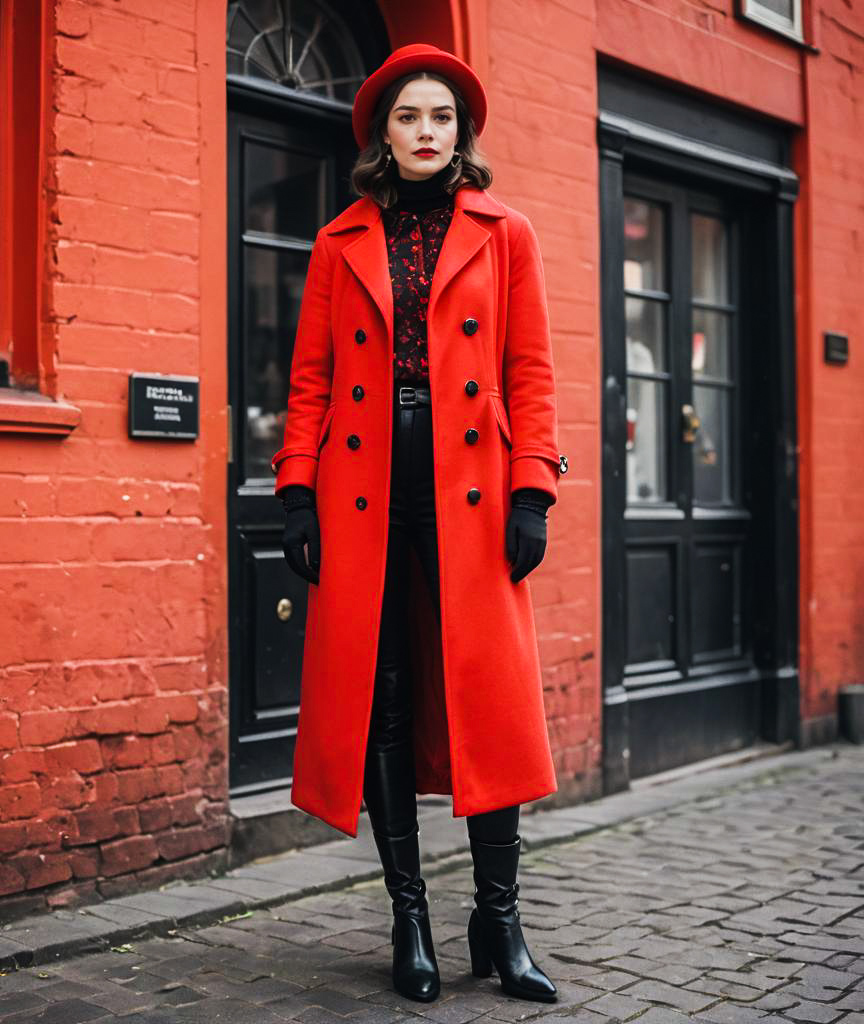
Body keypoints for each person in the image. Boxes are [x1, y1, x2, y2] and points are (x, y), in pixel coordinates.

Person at [271, 43, 567, 1005]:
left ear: (461, 131)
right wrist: (295, 490)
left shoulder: (506, 231)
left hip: (472, 489)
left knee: (488, 695)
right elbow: (310, 381)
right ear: (382, 134)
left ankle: (501, 918)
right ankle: (411, 919)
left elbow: (530, 373)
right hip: (366, 486)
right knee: (384, 694)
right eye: (409, 117)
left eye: (441, 116)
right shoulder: (337, 241)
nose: (427, 132)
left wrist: (532, 489)